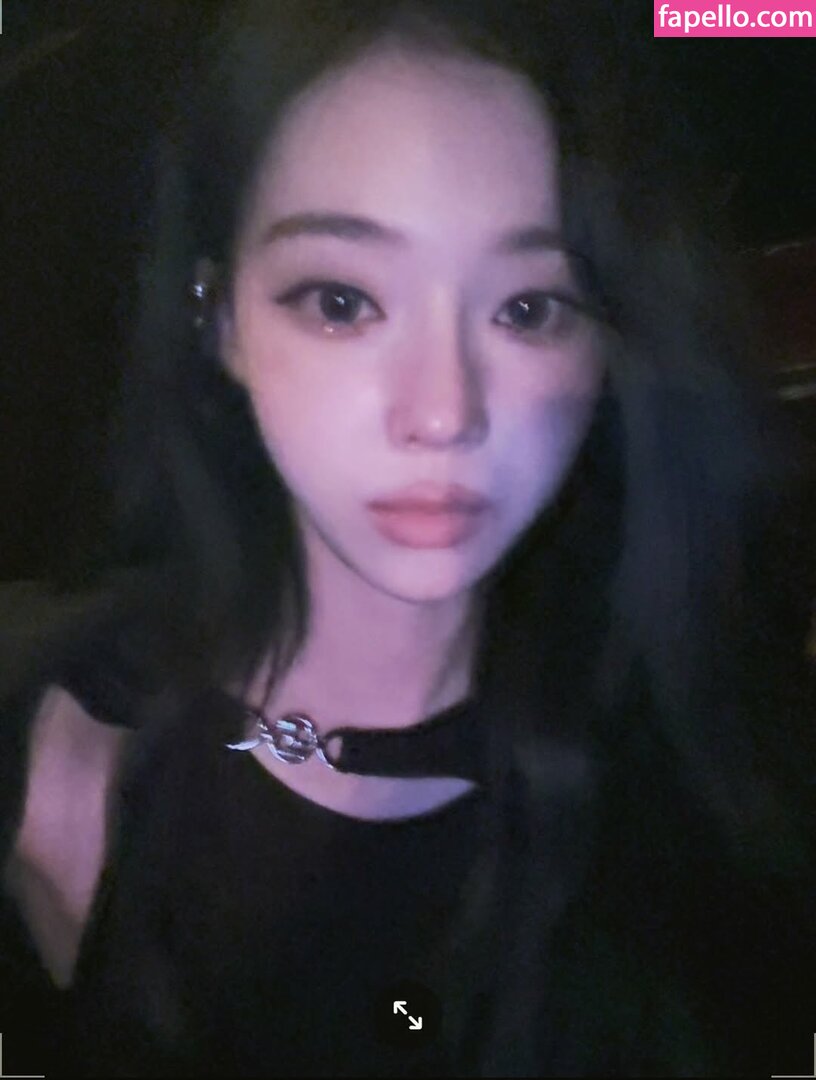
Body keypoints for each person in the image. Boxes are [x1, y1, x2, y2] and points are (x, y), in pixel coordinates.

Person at [1, 1, 814, 1075]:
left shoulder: (721, 784)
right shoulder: (61, 751)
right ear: (220, 318)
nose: (443, 412)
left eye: (528, 309)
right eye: (341, 301)